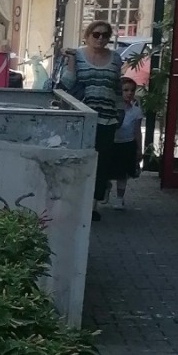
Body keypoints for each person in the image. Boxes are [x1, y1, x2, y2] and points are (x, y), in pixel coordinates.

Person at [59, 20, 125, 218]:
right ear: (87, 36)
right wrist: (71, 62)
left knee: (101, 162)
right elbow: (67, 83)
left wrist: (120, 110)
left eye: (105, 35)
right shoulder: (77, 55)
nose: (100, 38)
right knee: (79, 159)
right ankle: (75, 201)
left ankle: (93, 205)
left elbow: (117, 87)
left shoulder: (115, 58)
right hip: (82, 117)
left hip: (107, 118)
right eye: (96, 34)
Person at [110, 77, 143, 209]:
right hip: (112, 143)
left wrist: (139, 149)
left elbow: (137, 131)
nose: (129, 93)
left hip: (127, 144)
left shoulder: (136, 111)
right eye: (125, 90)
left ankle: (119, 198)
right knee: (107, 171)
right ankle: (105, 189)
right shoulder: (111, 109)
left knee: (122, 174)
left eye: (132, 90)